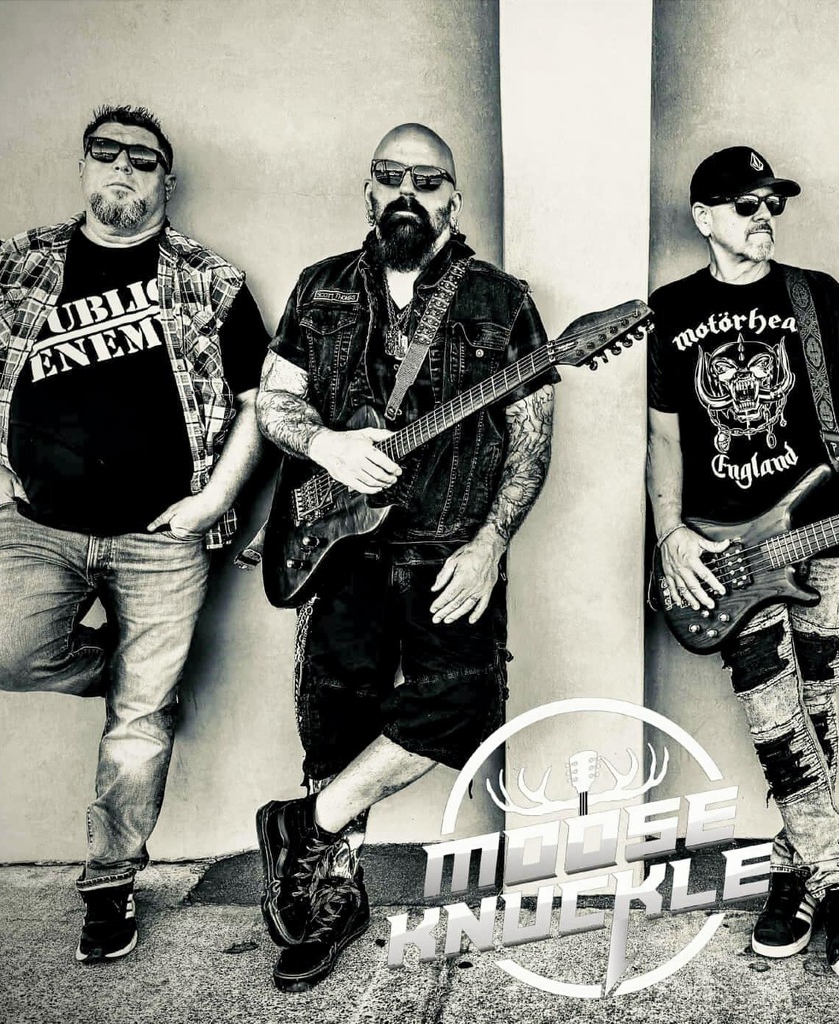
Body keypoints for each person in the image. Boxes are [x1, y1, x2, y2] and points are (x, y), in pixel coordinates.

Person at [0, 104, 269, 963]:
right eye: (106, 153)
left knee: (139, 722)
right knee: (4, 656)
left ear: (167, 180)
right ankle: (136, 687)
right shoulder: (18, 263)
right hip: (34, 528)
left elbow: (259, 406)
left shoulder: (211, 280)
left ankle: (111, 879)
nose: (123, 168)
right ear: (84, 167)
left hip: (161, 540)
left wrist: (213, 501)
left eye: (143, 159)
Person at [253, 123, 556, 992]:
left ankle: (306, 824)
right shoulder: (320, 288)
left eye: (427, 180)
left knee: (458, 711)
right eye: (391, 176)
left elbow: (531, 441)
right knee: (334, 720)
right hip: (336, 549)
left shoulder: (501, 301)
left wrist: (491, 543)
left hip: (450, 550)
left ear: (454, 196)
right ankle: (331, 895)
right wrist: (327, 446)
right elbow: (274, 405)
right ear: (369, 190)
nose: (407, 193)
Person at [646, 146, 839, 976]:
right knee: (773, 714)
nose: (764, 217)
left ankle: (795, 876)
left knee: (814, 706)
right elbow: (663, 438)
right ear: (705, 217)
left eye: (773, 204)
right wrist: (670, 534)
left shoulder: (814, 296)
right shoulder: (672, 308)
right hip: (727, 550)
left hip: (823, 537)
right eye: (746, 204)